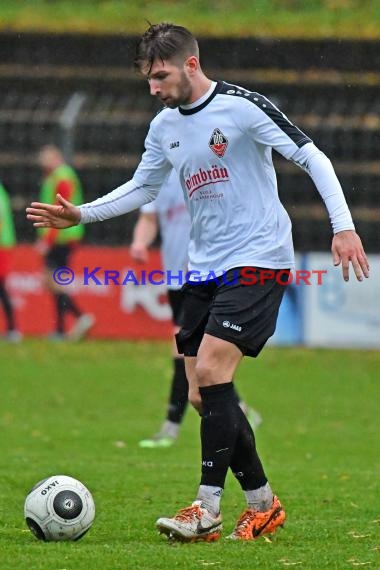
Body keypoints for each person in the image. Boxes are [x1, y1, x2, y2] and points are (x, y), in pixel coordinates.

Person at [26, 23, 369, 543]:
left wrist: (342, 226)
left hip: (258, 258)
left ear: (191, 63)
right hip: (202, 266)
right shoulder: (164, 126)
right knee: (202, 394)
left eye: (160, 75)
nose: (154, 87)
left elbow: (311, 155)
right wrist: (80, 214)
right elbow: (143, 186)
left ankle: (205, 508)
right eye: (147, 78)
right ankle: (263, 504)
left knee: (210, 369)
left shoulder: (242, 107)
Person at [130, 169, 262, 448]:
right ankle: (239, 409)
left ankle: (170, 426)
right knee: (200, 351)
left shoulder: (206, 171)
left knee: (183, 344)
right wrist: (140, 243)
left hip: (207, 274)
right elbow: (149, 218)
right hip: (175, 279)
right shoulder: (159, 176)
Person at [36, 145, 95, 341]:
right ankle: (61, 328)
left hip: (62, 236)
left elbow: (60, 211)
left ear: (55, 157)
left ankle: (80, 317)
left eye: (45, 158)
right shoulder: (58, 175)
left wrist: (47, 240)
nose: (42, 162)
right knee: (54, 281)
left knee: (54, 281)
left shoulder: (61, 177)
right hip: (63, 235)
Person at [0, 180, 21, 341]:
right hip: (4, 245)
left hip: (2, 246)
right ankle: (13, 329)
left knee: (1, 287)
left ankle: (13, 329)